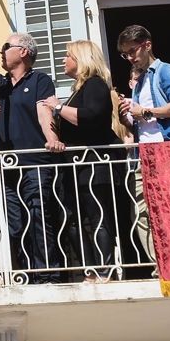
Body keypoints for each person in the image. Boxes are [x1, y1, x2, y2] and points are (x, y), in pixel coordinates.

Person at [37, 40, 131, 280]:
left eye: (67, 56)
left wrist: (57, 107)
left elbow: (89, 118)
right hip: (76, 166)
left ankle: (104, 271)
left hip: (94, 165)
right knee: (72, 218)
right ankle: (90, 270)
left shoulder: (95, 85)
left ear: (81, 60)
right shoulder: (78, 90)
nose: (63, 60)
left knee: (98, 216)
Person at [0, 19, 58, 278]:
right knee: (15, 225)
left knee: (39, 221)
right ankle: (26, 275)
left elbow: (43, 110)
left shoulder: (40, 80)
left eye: (5, 47)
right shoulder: (0, 84)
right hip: (9, 167)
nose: (1, 52)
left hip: (35, 164)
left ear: (23, 51)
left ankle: (47, 276)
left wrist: (52, 139)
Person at [117, 24, 170, 144]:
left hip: (167, 149)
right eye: (125, 54)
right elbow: (145, 126)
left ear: (148, 46)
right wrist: (126, 121)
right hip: (144, 150)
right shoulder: (139, 82)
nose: (129, 57)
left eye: (132, 51)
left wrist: (145, 113)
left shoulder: (166, 71)